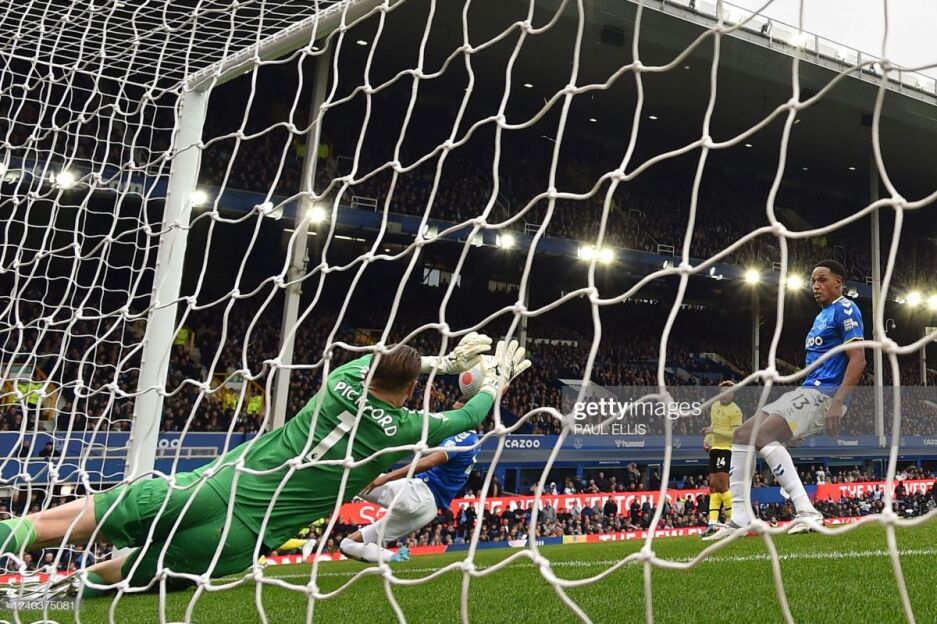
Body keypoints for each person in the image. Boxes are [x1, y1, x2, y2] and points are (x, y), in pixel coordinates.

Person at [0, 334, 530, 599]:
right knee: (105, 583)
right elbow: (469, 415)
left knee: (43, 526)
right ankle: (38, 596)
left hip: (208, 489)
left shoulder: (340, 380)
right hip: (238, 540)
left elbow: (379, 362)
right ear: (412, 390)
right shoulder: (406, 429)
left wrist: (444, 362)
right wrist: (496, 381)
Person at [705, 260, 865, 542]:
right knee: (742, 435)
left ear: (838, 282)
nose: (815, 286)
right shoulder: (822, 316)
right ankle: (740, 519)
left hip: (824, 394)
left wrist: (838, 401)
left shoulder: (846, 308)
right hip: (807, 390)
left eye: (822, 279)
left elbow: (858, 359)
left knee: (762, 435)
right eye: (813, 281)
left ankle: (807, 511)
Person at [700, 381, 743, 538]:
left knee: (723, 486)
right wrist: (707, 439)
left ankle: (732, 522)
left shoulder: (735, 411)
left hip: (727, 449)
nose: (725, 395)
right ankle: (712, 523)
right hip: (715, 448)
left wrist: (714, 431)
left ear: (733, 394)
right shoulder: (715, 406)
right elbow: (713, 425)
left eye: (728, 393)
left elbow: (735, 434)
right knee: (713, 486)